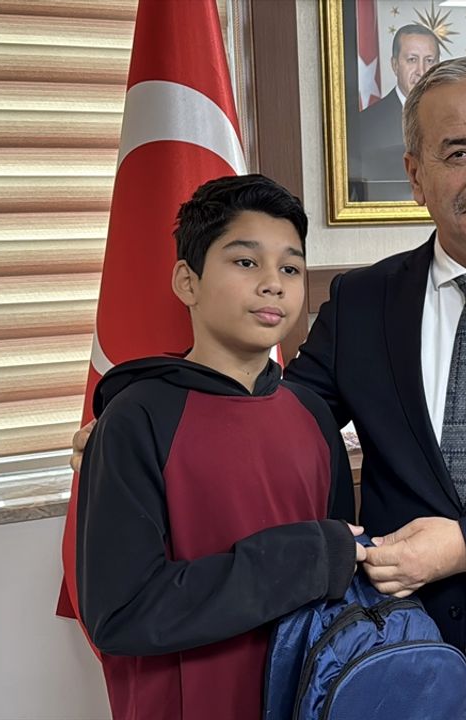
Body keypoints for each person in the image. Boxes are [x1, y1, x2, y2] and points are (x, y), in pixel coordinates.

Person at [74, 58, 466, 719]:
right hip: (395, 655)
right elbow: (272, 414)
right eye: (458, 153)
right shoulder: (362, 301)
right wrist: (138, 416)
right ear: (415, 175)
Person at [74, 174, 364, 720]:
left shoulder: (312, 414)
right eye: (246, 262)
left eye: (290, 268)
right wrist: (305, 558)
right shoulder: (138, 418)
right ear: (188, 281)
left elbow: (339, 571)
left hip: (306, 695)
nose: (273, 284)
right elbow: (121, 611)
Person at [349, 24, 440, 200]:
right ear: (395, 65)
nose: (422, 71)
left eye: (429, 61)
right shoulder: (364, 124)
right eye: (412, 60)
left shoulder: (454, 118)